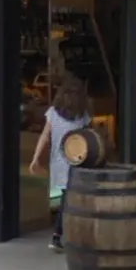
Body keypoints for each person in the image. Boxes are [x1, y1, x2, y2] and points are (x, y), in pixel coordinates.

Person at [28, 75, 90, 251]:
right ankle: (60, 235)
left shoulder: (53, 113)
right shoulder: (82, 116)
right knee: (70, 199)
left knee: (66, 197)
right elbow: (88, 139)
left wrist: (35, 158)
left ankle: (61, 235)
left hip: (58, 162)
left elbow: (44, 136)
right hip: (77, 161)